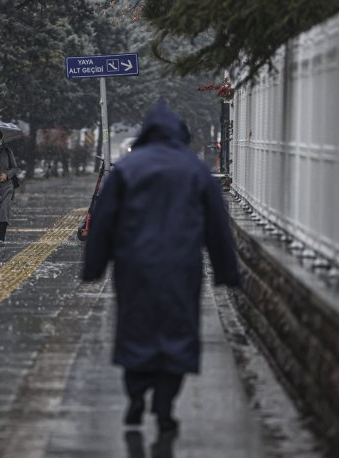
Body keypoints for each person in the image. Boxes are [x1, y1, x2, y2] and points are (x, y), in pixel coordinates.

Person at [81, 100, 240, 433]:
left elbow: (104, 222)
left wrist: (93, 267)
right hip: (181, 267)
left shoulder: (126, 169)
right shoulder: (195, 169)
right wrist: (227, 271)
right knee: (177, 331)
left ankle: (136, 397)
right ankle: (165, 405)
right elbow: (217, 226)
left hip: (134, 267)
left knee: (136, 328)